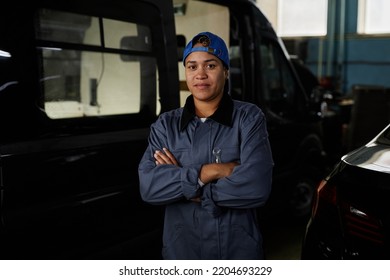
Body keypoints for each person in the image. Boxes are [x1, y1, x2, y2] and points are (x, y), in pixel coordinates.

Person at [138, 31, 274, 260]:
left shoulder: (248, 118)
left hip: (237, 252)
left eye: (210, 66)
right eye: (192, 67)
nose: (200, 74)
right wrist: (210, 172)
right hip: (182, 252)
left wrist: (185, 184)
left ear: (226, 71)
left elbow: (257, 186)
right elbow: (150, 188)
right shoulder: (166, 125)